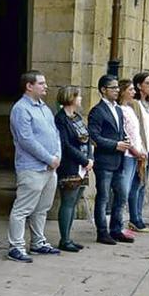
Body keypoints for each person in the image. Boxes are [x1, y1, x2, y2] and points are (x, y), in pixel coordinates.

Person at [7, 70, 62, 261]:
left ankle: (38, 242)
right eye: (41, 83)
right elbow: (26, 139)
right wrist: (49, 158)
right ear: (29, 86)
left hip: (49, 168)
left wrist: (57, 156)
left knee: (42, 208)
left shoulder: (44, 108)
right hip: (31, 167)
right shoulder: (21, 109)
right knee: (23, 208)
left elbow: (55, 133)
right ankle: (16, 246)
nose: (45, 86)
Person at [88, 74, 134, 244]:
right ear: (103, 90)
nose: (117, 90)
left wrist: (125, 140)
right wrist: (115, 144)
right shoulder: (97, 111)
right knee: (103, 198)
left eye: (117, 87)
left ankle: (116, 229)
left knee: (122, 196)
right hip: (105, 161)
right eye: (113, 88)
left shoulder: (118, 109)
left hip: (119, 161)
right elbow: (94, 136)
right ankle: (102, 232)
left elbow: (120, 131)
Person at [54, 86, 92, 252]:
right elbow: (66, 145)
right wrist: (84, 160)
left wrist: (90, 158)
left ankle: (69, 237)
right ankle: (65, 239)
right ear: (70, 98)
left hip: (83, 166)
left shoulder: (77, 117)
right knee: (68, 202)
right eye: (78, 96)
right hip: (70, 165)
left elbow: (87, 138)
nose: (81, 99)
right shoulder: (61, 119)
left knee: (75, 202)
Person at [129, 72, 149, 232]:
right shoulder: (135, 104)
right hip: (140, 149)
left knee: (143, 185)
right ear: (139, 86)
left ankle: (139, 216)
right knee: (136, 184)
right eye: (147, 83)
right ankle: (134, 218)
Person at [118, 79, 147, 237]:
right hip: (128, 155)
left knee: (134, 186)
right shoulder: (120, 110)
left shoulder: (130, 109)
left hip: (136, 154)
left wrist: (141, 150)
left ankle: (125, 222)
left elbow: (137, 133)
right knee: (124, 189)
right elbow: (125, 134)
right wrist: (135, 150)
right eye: (130, 90)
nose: (133, 92)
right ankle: (120, 224)